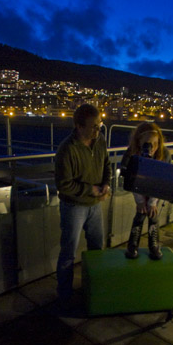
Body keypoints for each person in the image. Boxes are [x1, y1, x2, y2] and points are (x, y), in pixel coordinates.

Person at [54, 104, 111, 304]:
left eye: (100, 125)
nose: (98, 130)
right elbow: (63, 185)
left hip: (95, 205)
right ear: (79, 126)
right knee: (68, 252)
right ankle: (64, 294)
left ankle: (95, 288)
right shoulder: (66, 150)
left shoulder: (100, 141)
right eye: (94, 126)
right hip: (73, 207)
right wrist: (91, 190)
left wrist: (106, 184)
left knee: (97, 247)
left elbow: (106, 164)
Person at [121, 122, 170, 260]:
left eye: (156, 143)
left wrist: (152, 202)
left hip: (155, 188)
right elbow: (130, 179)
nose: (152, 147)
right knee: (141, 213)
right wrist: (140, 201)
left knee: (153, 214)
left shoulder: (163, 154)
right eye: (148, 143)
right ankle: (133, 245)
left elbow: (163, 181)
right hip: (138, 187)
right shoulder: (132, 154)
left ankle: (153, 244)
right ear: (139, 141)